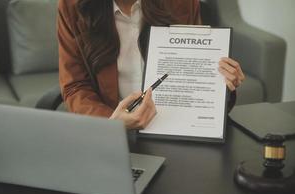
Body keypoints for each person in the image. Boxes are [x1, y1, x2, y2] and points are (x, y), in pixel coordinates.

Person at [58, 0, 245, 130]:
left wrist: (222, 82)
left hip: (171, 125)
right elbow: (75, 86)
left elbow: (193, 70)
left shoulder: (182, 3)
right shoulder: (73, 6)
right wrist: (111, 123)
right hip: (112, 132)